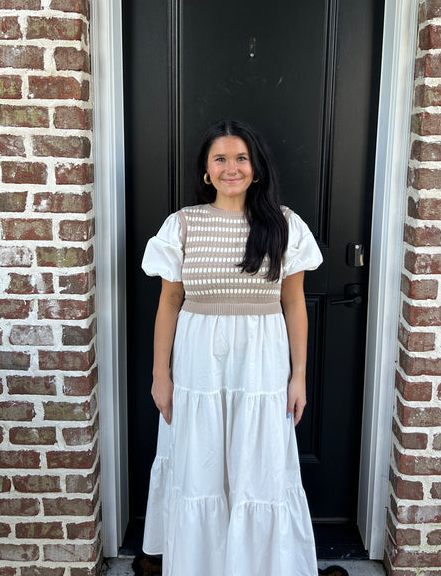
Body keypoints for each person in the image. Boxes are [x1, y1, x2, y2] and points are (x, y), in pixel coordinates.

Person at [141, 119, 323, 576]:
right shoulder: (181, 225)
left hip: (260, 364)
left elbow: (295, 304)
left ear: (256, 168)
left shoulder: (284, 224)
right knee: (199, 464)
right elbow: (169, 301)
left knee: (256, 464)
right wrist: (160, 375)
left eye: (241, 158)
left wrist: (298, 376)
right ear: (206, 169)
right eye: (220, 158)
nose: (231, 167)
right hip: (198, 362)